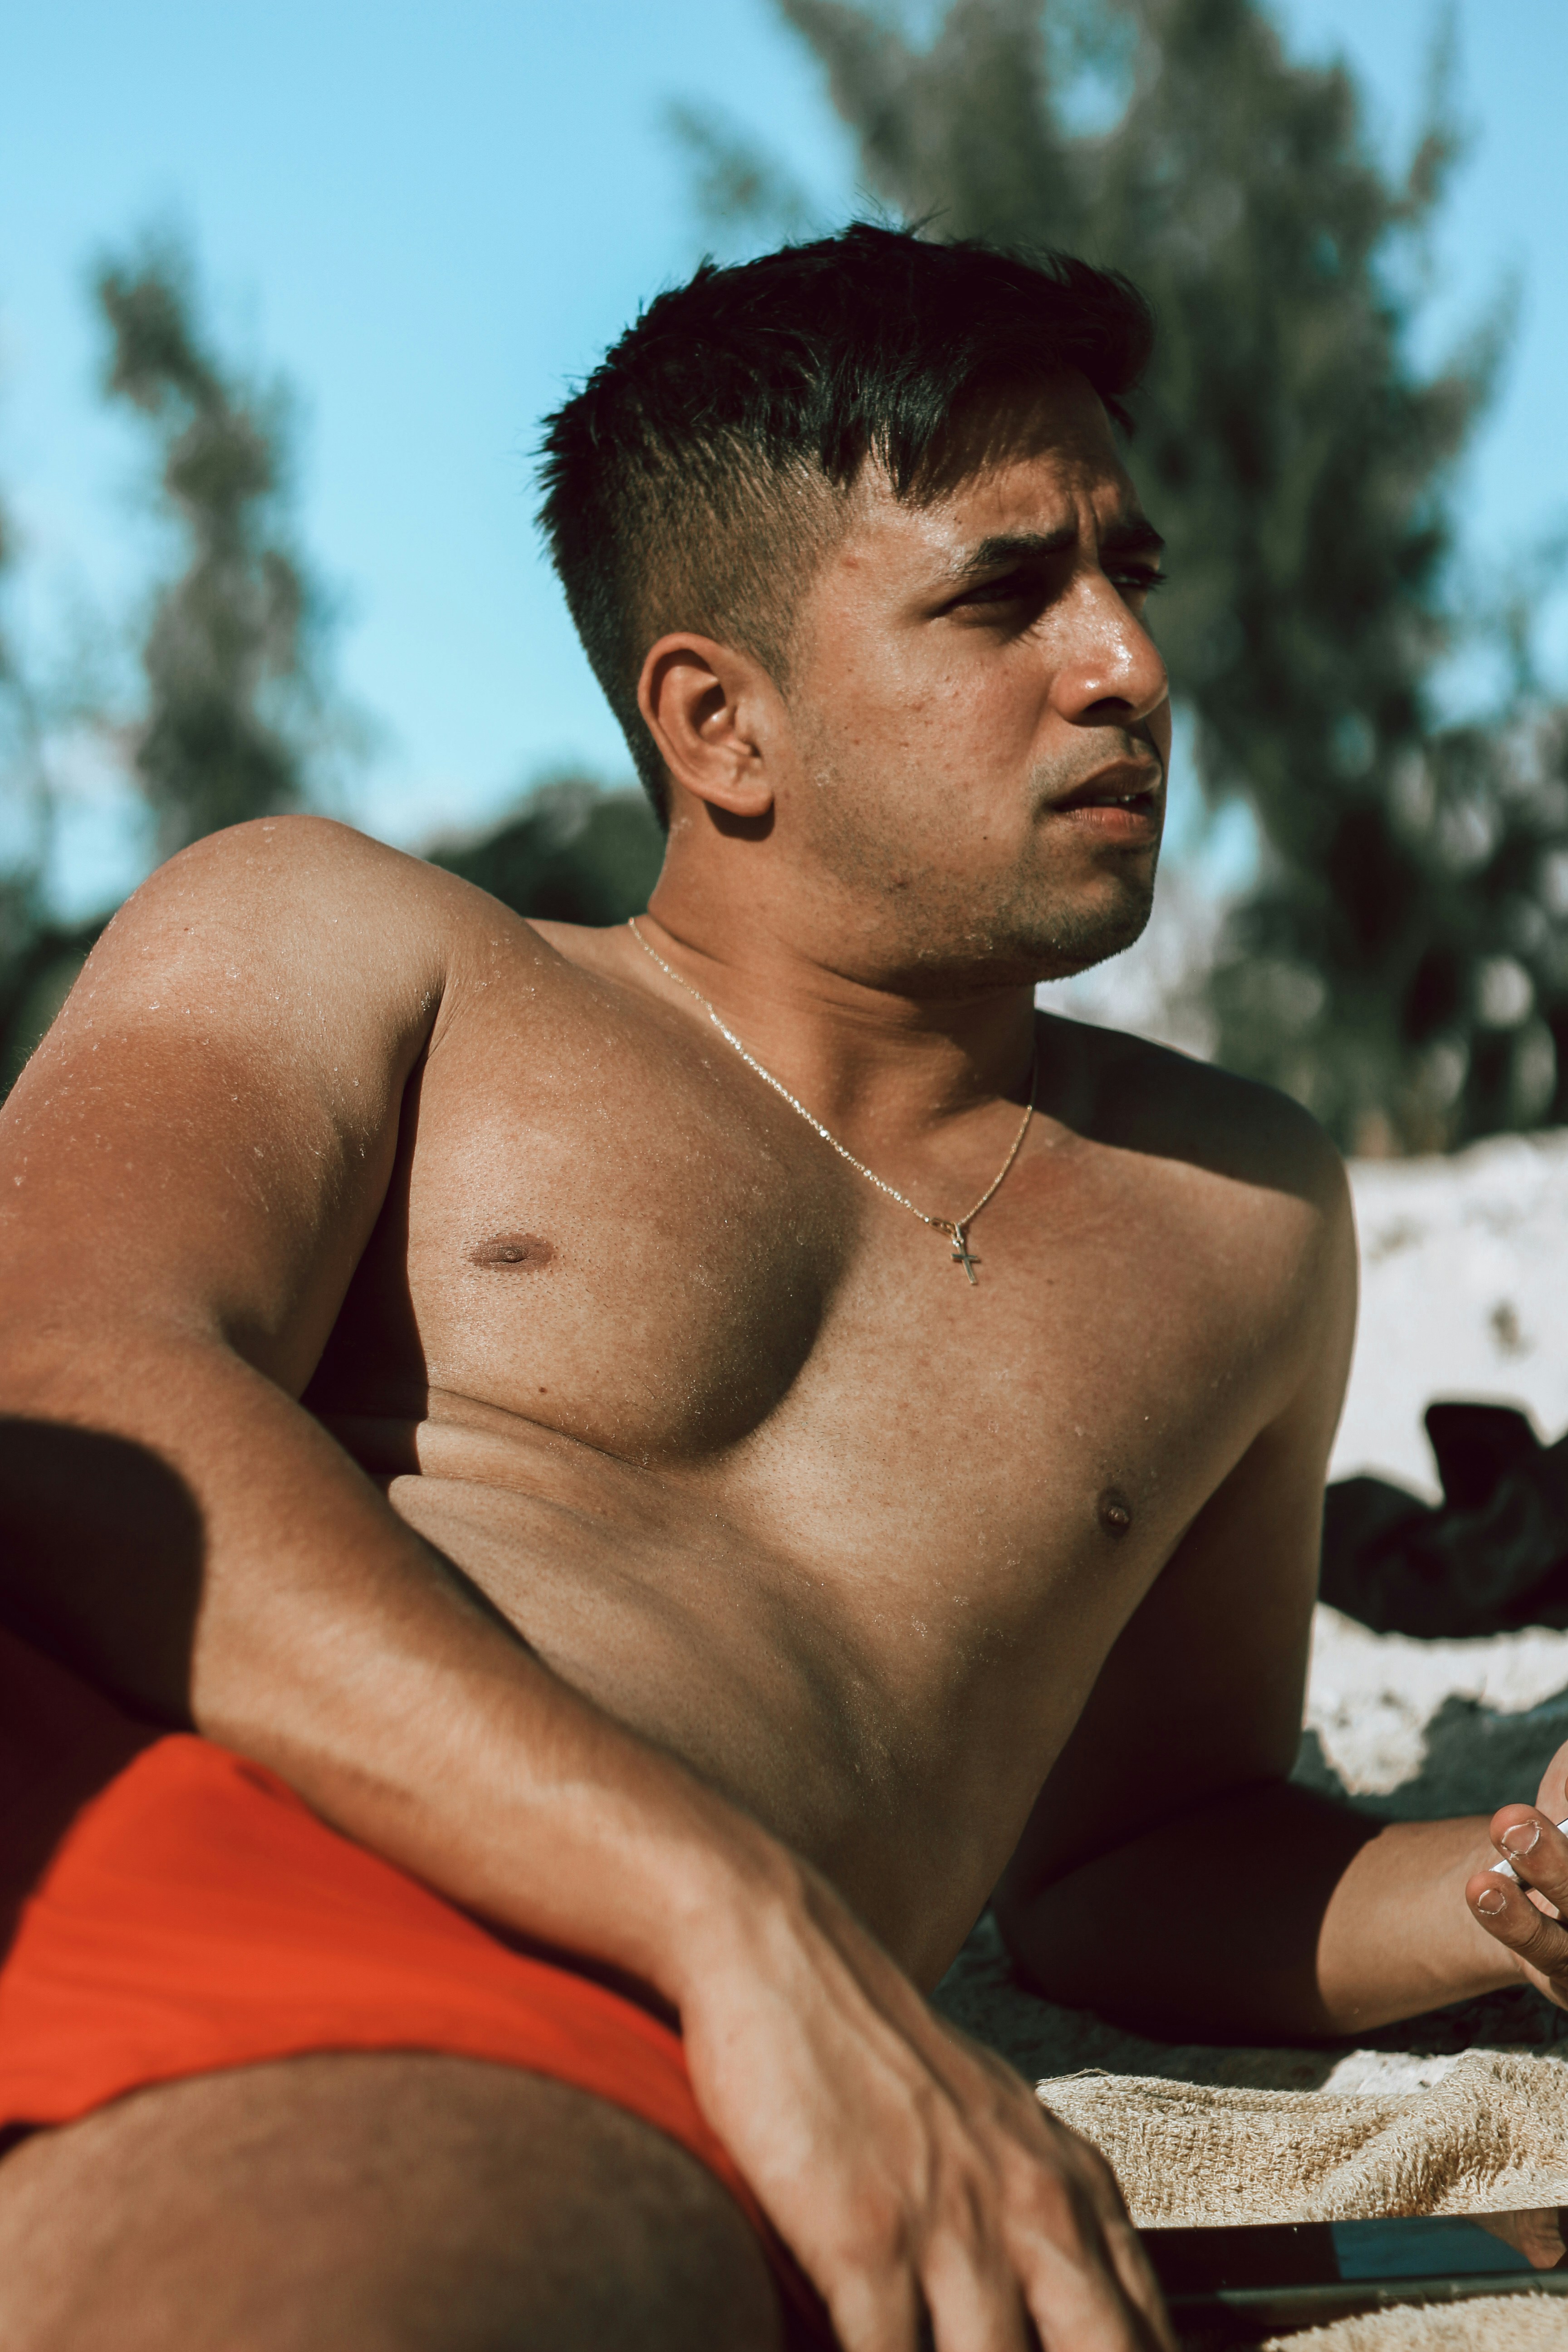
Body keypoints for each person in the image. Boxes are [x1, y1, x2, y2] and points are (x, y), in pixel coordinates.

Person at [1, 223, 1564, 2352]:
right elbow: (66, 1392)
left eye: (1131, 574)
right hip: (136, 1784)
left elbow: (1138, 1861)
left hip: (546, 2043)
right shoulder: (360, 949)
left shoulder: (1241, 1215)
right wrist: (735, 1914)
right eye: (1007, 593)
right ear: (720, 721)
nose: (1128, 666)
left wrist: (1507, 1881)